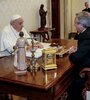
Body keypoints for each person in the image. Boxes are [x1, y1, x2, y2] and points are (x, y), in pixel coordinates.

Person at [67, 11, 90, 100]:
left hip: (86, 73)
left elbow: (75, 58)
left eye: (75, 23)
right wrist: (78, 50)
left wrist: (71, 53)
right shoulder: (86, 32)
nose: (74, 26)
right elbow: (85, 49)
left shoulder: (87, 36)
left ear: (81, 24)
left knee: (70, 85)